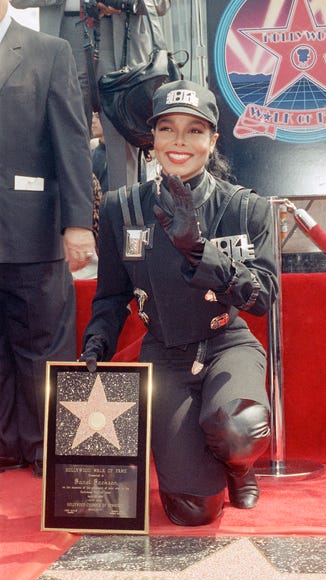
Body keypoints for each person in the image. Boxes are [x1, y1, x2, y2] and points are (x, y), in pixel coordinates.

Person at [81, 80, 279, 526]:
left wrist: (201, 251)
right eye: (168, 129)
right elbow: (112, 293)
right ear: (152, 139)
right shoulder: (122, 209)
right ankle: (205, 472)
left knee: (239, 428)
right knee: (192, 513)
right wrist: (97, 341)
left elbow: (262, 297)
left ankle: (238, 466)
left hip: (227, 343)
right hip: (166, 354)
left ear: (212, 140)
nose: (180, 142)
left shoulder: (244, 209)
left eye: (194, 131)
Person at [0, 0, 95, 476]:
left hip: (32, 228)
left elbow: (72, 142)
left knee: (42, 341)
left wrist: (77, 223)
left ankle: (46, 448)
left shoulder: (48, 51)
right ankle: (3, 444)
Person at [10, 0, 172, 190]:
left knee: (123, 150)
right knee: (67, 146)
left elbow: (162, 4)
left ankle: (125, 215)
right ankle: (70, 218)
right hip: (64, 37)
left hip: (125, 44)